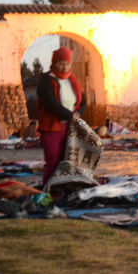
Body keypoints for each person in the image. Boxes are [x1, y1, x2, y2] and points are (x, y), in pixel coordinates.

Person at [36, 46, 85, 186]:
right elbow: (50, 103)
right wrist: (70, 115)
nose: (65, 67)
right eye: (61, 64)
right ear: (54, 64)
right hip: (52, 127)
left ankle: (63, 188)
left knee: (69, 160)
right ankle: (48, 190)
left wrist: (78, 113)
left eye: (68, 64)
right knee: (53, 160)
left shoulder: (72, 80)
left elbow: (83, 99)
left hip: (70, 126)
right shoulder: (46, 81)